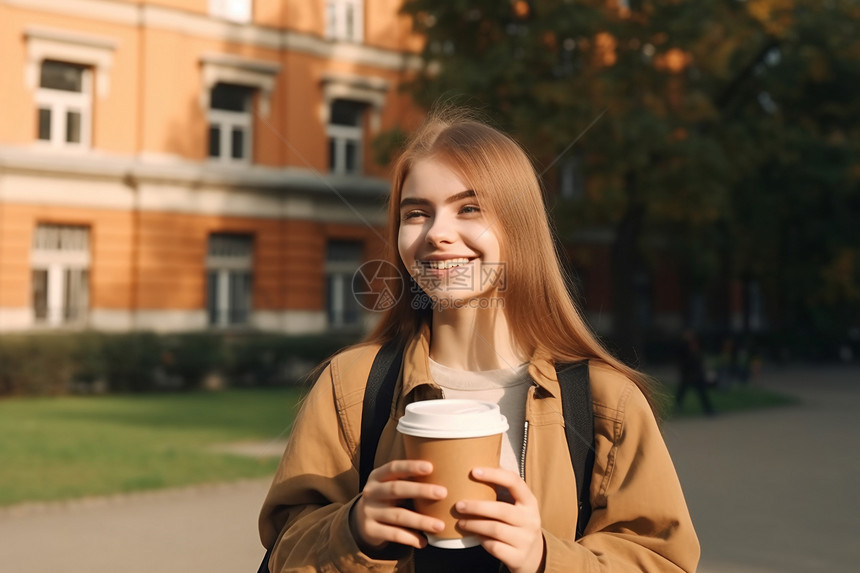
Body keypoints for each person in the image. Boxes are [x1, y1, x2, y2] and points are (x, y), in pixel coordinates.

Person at [259, 110, 700, 572]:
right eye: (416, 213)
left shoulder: (606, 401)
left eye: (469, 208)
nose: (437, 234)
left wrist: (546, 558)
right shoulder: (351, 386)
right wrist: (354, 531)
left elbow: (662, 561)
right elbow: (286, 548)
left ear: (518, 226)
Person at [675, 329, 716, 416]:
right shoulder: (682, 347)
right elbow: (682, 361)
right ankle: (678, 407)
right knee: (682, 391)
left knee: (701, 392)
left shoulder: (694, 345)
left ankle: (708, 409)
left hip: (696, 373)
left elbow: (698, 359)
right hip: (688, 373)